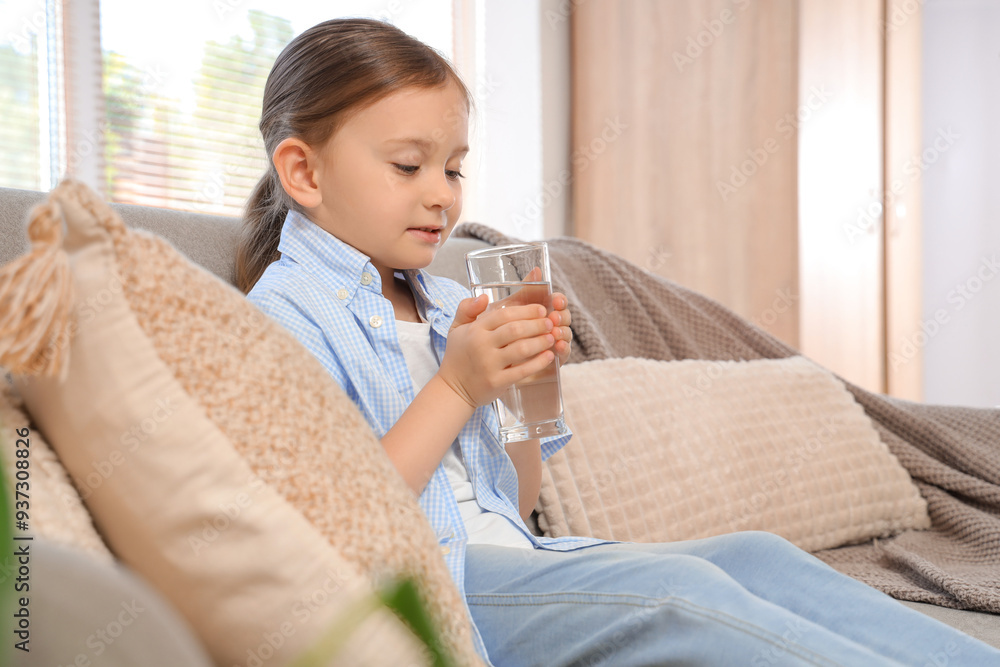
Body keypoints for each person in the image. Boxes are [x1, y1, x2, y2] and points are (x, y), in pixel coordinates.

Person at [239, 17, 1000, 667]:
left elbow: (518, 503)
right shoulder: (285, 315)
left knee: (755, 556)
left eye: (453, 167)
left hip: (519, 561)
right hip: (428, 590)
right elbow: (331, 515)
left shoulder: (442, 301)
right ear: (303, 171)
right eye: (408, 166)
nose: (441, 192)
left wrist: (523, 390)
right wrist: (457, 388)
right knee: (679, 595)